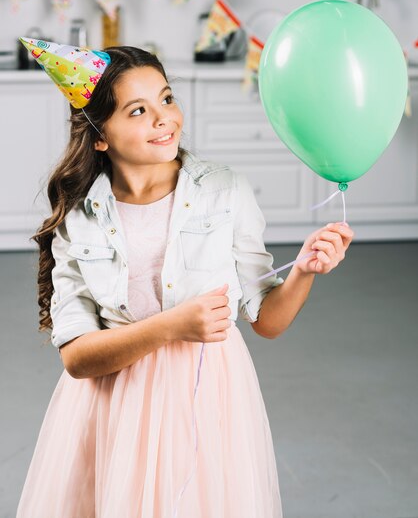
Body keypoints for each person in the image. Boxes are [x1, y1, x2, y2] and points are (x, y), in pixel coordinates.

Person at [16, 40, 354, 518]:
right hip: (114, 405)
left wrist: (303, 269)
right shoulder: (80, 217)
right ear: (99, 136)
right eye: (137, 110)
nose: (163, 118)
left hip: (208, 398)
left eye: (167, 98)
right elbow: (76, 358)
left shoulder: (225, 191)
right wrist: (173, 326)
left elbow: (268, 321)